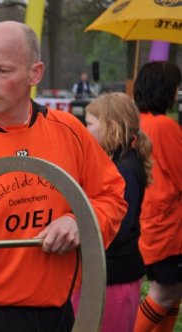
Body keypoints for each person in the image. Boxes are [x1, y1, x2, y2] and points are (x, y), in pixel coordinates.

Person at [0, 21, 127, 331]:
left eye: (3, 71)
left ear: (35, 73)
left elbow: (111, 197)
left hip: (55, 315)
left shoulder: (69, 132)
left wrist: (79, 220)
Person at [72, 92, 152, 331]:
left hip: (114, 279)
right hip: (111, 276)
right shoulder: (122, 162)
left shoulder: (124, 170)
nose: (85, 131)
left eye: (89, 124)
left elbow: (117, 228)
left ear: (112, 127)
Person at [133, 61, 181, 332]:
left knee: (173, 292)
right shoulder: (165, 126)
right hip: (167, 230)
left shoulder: (140, 122)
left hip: (151, 223)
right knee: (164, 293)